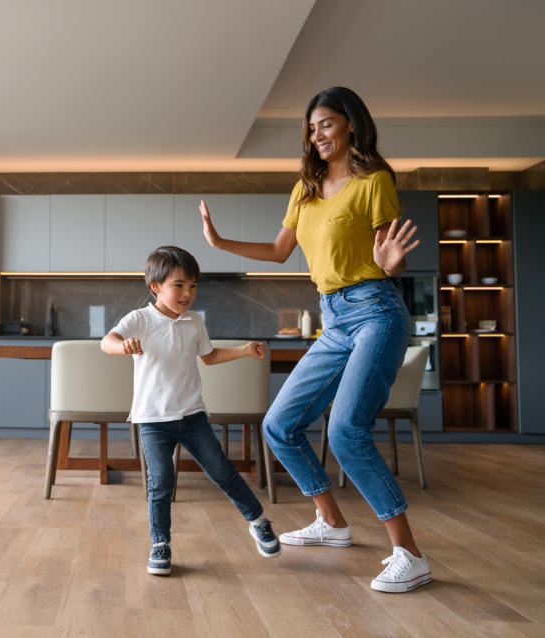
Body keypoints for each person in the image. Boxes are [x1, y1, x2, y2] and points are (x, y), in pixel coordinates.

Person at [199, 86, 431, 593]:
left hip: (376, 309)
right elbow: (281, 250)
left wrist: (395, 267)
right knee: (279, 425)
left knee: (346, 431)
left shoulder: (374, 181)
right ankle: (331, 522)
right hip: (332, 317)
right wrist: (220, 243)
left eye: (326, 123)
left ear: (349, 124)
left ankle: (409, 553)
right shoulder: (305, 187)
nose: (317, 134)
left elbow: (390, 252)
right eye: (311, 127)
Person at [101, 245, 278, 576]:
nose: (188, 293)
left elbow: (208, 357)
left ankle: (258, 521)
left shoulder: (194, 322)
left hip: (192, 416)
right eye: (178, 285)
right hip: (153, 419)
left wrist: (243, 349)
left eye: (193, 285)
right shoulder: (140, 319)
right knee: (161, 482)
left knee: (222, 471)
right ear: (155, 287)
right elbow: (107, 340)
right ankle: (160, 544)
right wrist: (120, 346)